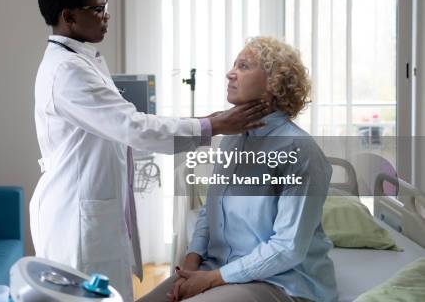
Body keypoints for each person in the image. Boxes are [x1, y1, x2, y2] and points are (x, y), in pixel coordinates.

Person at [31, 0, 269, 301]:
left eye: (106, 6)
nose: (106, 16)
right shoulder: (67, 71)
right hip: (77, 220)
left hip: (90, 208)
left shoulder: (82, 59)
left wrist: (208, 122)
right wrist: (212, 126)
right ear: (68, 16)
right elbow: (134, 127)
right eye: (98, 9)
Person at [139, 36, 338, 302]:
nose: (229, 73)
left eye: (243, 66)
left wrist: (209, 280)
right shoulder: (232, 138)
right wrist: (189, 267)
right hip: (218, 270)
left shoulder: (298, 150)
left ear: (274, 84)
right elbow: (210, 211)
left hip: (280, 281)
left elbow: (288, 248)